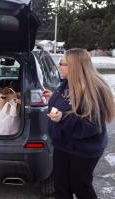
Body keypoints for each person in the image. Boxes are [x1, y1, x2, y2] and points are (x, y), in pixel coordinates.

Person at [42, 48, 115, 199]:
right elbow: (65, 105)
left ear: (74, 67)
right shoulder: (67, 84)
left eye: (62, 63)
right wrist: (53, 98)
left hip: (83, 150)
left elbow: (90, 126)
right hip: (63, 145)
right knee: (61, 186)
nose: (58, 65)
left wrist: (63, 117)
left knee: (80, 186)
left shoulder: (94, 91)